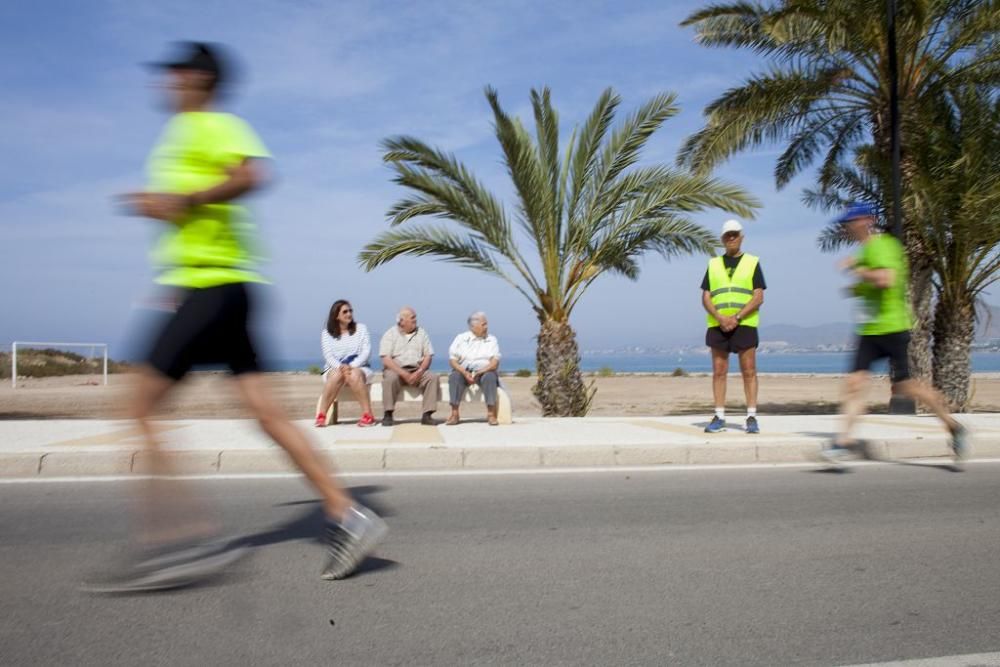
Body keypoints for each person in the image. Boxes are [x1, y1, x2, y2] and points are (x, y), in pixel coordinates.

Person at [90, 42, 386, 592]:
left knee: (137, 406)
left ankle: (178, 543)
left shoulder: (210, 125)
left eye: (177, 72)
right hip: (214, 288)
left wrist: (182, 201)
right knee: (267, 416)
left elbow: (252, 174)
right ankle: (349, 515)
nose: (169, 81)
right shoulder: (181, 134)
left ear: (200, 78)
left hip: (214, 287)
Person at [820, 203, 969, 464]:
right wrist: (855, 288)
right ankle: (841, 444)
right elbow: (871, 286)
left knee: (906, 387)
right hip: (869, 330)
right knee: (854, 385)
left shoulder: (885, 246)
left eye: (850, 221)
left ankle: (953, 426)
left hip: (892, 328)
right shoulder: (864, 251)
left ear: (866, 221)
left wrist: (857, 270)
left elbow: (886, 279)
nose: (846, 227)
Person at [701, 219, 766, 434]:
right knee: (719, 371)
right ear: (722, 239)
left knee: (749, 371)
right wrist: (720, 317)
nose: (731, 238)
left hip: (744, 323)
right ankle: (719, 416)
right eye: (727, 235)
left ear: (741, 237)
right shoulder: (713, 264)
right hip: (718, 325)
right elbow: (706, 297)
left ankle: (751, 416)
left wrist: (736, 317)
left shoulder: (752, 262)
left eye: (735, 234)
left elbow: (758, 297)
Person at [317, 300, 376, 427]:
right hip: (334, 368)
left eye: (350, 311)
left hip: (360, 367)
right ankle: (322, 414)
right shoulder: (326, 333)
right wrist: (340, 367)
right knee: (336, 375)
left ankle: (368, 415)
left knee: (354, 374)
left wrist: (352, 365)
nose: (349, 314)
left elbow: (366, 351)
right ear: (336, 316)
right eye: (345, 311)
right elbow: (328, 356)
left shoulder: (361, 329)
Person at [379, 307, 440, 426]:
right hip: (396, 369)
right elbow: (385, 358)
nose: (415, 320)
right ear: (402, 321)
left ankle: (427, 415)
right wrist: (403, 373)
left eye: (415, 317)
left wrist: (420, 371)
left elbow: (428, 356)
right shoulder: (390, 334)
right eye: (412, 317)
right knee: (389, 380)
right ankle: (388, 413)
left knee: (432, 378)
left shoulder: (422, 333)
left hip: (417, 369)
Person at [446, 311, 502, 426]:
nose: (486, 327)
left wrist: (480, 372)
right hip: (464, 370)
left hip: (484, 371)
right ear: (473, 326)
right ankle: (454, 414)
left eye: (486, 324)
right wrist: (464, 372)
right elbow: (452, 360)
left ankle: (491, 414)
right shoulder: (461, 338)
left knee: (490, 377)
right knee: (455, 377)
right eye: (483, 325)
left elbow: (494, 362)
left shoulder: (492, 339)